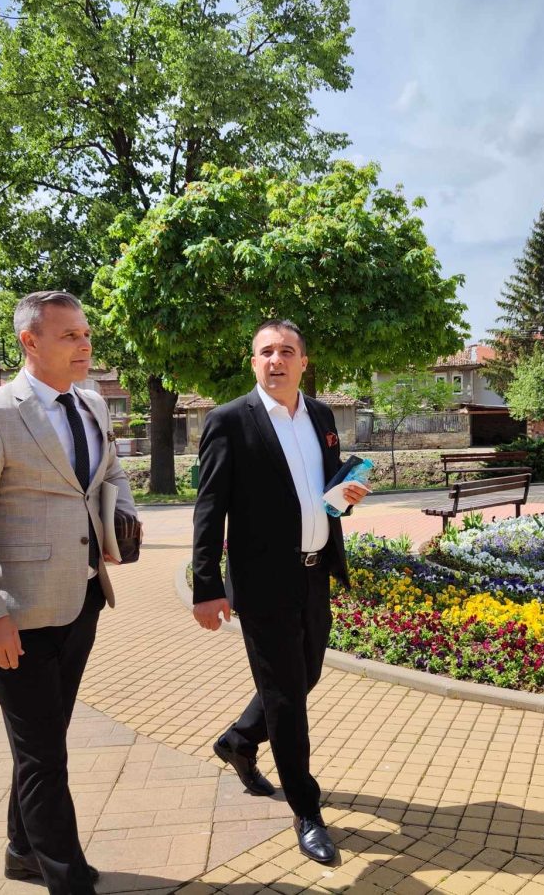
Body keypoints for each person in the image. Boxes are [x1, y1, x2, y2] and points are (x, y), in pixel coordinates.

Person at [0, 290, 137, 895]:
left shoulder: (91, 402)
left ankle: (22, 851)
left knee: (43, 742)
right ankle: (66, 876)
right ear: (30, 341)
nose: (85, 345)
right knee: (44, 755)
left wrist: (122, 519)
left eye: (86, 334)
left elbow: (110, 471)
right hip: (16, 614)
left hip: (82, 599)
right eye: (69, 336)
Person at [191, 319, 369, 865]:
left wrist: (344, 495)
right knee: (287, 699)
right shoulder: (228, 421)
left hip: (315, 573)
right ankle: (306, 811)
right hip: (263, 582)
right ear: (254, 363)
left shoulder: (321, 416)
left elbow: (321, 491)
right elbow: (209, 507)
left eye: (287, 351)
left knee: (305, 674)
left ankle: (240, 741)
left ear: (303, 362)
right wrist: (206, 585)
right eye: (266, 351)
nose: (277, 359)